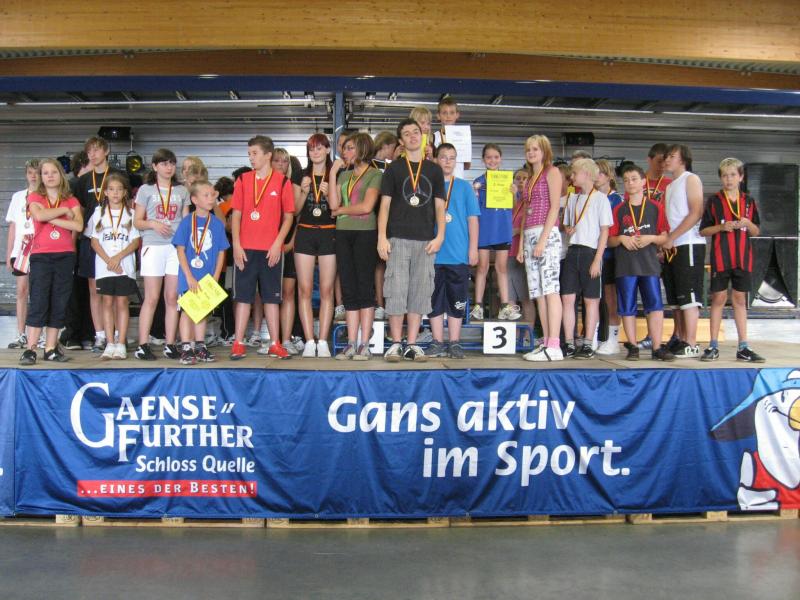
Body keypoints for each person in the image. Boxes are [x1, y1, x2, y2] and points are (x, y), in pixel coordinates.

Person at [378, 118, 445, 362]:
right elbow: (384, 206)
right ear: (401, 141)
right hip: (397, 238)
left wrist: (440, 235)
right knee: (395, 290)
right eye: (406, 134)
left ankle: (412, 344)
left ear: (422, 136)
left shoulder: (434, 170)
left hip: (425, 240)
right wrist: (382, 237)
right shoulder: (393, 169)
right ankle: (396, 344)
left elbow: (440, 206)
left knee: (420, 291)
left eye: (416, 132)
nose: (413, 136)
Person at [230, 135, 295, 360]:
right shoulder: (242, 180)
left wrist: (278, 243)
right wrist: (236, 244)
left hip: (271, 250)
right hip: (245, 248)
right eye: (249, 154)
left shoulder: (283, 182)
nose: (251, 158)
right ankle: (238, 342)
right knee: (243, 297)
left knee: (272, 297)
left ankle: (275, 343)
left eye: (255, 153)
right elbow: (236, 214)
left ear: (268, 155)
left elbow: (288, 217)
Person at [699, 158, 764, 363]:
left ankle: (743, 346)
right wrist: (721, 227)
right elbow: (703, 230)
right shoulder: (714, 201)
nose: (729, 179)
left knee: (739, 300)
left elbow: (756, 231)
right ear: (721, 178)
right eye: (725, 175)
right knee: (718, 299)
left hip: (743, 258)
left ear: (741, 177)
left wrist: (747, 223)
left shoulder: (749, 202)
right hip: (721, 258)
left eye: (733, 175)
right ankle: (713, 345)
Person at [19, 158, 83, 365]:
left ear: (60, 175)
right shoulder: (35, 196)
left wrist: (51, 217)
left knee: (59, 301)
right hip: (41, 256)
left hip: (65, 255)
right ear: (41, 177)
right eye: (45, 173)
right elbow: (39, 215)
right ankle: (30, 349)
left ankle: (50, 348)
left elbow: (78, 226)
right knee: (39, 300)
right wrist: (63, 213)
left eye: (53, 172)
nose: (50, 176)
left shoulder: (71, 199)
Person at [608, 164, 674, 361]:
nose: (630, 183)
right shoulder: (619, 209)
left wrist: (650, 238)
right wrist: (622, 239)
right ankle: (633, 346)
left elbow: (665, 237)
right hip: (625, 265)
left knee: (655, 306)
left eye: (634, 179)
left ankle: (657, 347)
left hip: (649, 264)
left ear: (644, 181)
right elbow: (609, 240)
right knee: (627, 307)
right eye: (626, 180)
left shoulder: (655, 207)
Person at [133, 148, 190, 360]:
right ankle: (142, 345)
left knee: (172, 297)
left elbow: (186, 221)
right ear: (155, 166)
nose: (169, 167)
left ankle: (170, 343)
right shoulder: (145, 189)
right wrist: (153, 224)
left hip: (175, 248)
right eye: (164, 163)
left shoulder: (182, 190)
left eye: (172, 163)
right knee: (152, 297)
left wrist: (185, 245)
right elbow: (137, 221)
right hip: (153, 245)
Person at [329, 132, 382, 360]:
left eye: (350, 148)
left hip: (365, 233)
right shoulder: (344, 175)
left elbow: (366, 207)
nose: (345, 152)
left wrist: (341, 210)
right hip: (342, 233)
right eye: (344, 148)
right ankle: (351, 343)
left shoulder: (375, 174)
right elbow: (332, 204)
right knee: (348, 287)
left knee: (364, 287)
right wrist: (333, 173)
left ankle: (364, 344)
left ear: (362, 149)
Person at [68, 136, 122, 352]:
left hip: (115, 240)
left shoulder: (119, 176)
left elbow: (128, 206)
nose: (92, 154)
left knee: (116, 289)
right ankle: (99, 335)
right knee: (94, 289)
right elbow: (79, 213)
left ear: (106, 151)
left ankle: (116, 334)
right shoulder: (82, 181)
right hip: (91, 240)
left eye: (97, 150)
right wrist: (74, 240)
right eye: (89, 151)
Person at [426, 143, 480, 359]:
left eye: (452, 157)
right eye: (443, 157)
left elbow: (473, 219)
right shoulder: (429, 186)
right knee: (434, 299)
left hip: (458, 253)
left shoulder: (464, 187)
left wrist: (473, 248)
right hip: (433, 254)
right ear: (436, 160)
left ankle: (455, 342)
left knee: (457, 299)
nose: (448, 161)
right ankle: (437, 341)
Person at [559, 159, 613, 359]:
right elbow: (566, 225)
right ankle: (569, 342)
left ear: (587, 174)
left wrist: (597, 259)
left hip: (591, 252)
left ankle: (589, 343)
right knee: (567, 298)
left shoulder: (600, 199)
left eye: (575, 173)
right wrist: (567, 228)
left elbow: (604, 231)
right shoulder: (572, 198)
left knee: (591, 300)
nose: (571, 177)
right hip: (572, 251)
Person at [516, 135, 563, 361]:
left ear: (545, 151)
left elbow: (554, 207)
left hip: (547, 234)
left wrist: (543, 239)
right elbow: (526, 212)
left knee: (551, 289)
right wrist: (521, 245)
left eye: (535, 149)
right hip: (530, 235)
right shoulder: (530, 177)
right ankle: (545, 341)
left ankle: (555, 344)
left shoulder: (552, 172)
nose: (531, 153)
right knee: (538, 292)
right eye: (528, 149)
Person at [173, 180, 229, 365]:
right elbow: (180, 250)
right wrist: (188, 276)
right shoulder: (187, 222)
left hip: (208, 275)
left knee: (202, 311)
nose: (211, 198)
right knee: (188, 310)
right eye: (206, 195)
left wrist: (216, 276)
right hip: (189, 276)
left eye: (213, 195)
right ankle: (186, 347)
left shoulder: (217, 224)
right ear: (194, 199)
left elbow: (221, 251)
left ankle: (200, 345)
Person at [89, 173, 140, 360]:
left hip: (124, 266)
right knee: (107, 302)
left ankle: (121, 343)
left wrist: (118, 258)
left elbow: (135, 241)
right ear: (105, 193)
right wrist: (109, 260)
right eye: (111, 189)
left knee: (122, 303)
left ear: (125, 192)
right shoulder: (98, 213)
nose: (115, 193)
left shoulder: (132, 213)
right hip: (105, 267)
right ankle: (109, 343)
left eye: (119, 189)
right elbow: (94, 241)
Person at [662, 144, 705, 358]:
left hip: (688, 243)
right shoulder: (670, 186)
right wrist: (665, 241)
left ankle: (691, 342)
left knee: (689, 296)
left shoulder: (691, 179)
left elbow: (696, 212)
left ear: (683, 159)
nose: (667, 160)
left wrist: (673, 236)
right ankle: (679, 337)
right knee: (676, 298)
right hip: (672, 246)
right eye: (667, 156)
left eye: (672, 156)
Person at [295, 133, 336, 358]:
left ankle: (323, 340)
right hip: (305, 232)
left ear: (328, 149)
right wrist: (303, 192)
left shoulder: (335, 174)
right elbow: (295, 210)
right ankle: (310, 341)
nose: (316, 152)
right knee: (305, 289)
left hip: (329, 232)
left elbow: (336, 209)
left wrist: (330, 195)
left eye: (320, 148)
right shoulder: (301, 174)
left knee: (327, 290)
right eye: (312, 149)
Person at [470, 143, 520, 321]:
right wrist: (474, 193)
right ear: (483, 159)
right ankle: (478, 306)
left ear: (501, 159)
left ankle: (505, 306)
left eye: (496, 157)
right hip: (484, 229)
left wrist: (514, 193)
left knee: (501, 267)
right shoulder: (478, 182)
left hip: (502, 229)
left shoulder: (508, 181)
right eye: (489, 157)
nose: (492, 160)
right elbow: (473, 208)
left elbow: (514, 207)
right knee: (482, 267)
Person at [271, 148, 305, 356]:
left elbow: (298, 217)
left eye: (285, 161)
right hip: (267, 246)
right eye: (277, 161)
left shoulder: (292, 186)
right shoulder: (263, 185)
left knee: (289, 292)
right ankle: (273, 340)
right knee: (270, 295)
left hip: (288, 244)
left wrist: (291, 241)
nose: (281, 164)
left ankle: (286, 339)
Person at [5, 159, 39, 349]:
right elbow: (13, 226)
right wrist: (9, 253)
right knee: (21, 290)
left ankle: (39, 334)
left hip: (40, 248)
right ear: (26, 175)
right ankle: (21, 334)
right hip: (21, 249)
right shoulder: (18, 196)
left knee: (39, 292)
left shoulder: (46, 196)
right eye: (30, 172)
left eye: (37, 172)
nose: (33, 176)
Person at [595, 158, 624, 355]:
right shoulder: (592, 197)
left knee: (611, 298)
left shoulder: (616, 200)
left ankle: (613, 339)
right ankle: (597, 336)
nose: (596, 177)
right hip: (595, 253)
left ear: (609, 176)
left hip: (611, 255)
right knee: (596, 299)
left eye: (600, 173)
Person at [371, 131, 398, 320]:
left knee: (392, 264)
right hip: (372, 217)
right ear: (387, 146)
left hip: (391, 219)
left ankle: (392, 304)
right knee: (378, 264)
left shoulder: (393, 166)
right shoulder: (368, 164)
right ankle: (380, 304)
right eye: (394, 148)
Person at [508, 168, 536, 333]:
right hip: (508, 253)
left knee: (525, 297)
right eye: (517, 178)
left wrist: (518, 231)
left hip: (523, 253)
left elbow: (533, 225)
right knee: (510, 297)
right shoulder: (513, 201)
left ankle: (528, 334)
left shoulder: (530, 202)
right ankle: (514, 335)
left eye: (524, 178)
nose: (520, 181)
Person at [434, 96, 470, 176]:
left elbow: (467, 166)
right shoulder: (433, 137)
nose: (448, 116)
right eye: (444, 113)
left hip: (458, 179)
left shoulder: (464, 136)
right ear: (438, 115)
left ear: (457, 115)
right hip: (439, 180)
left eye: (452, 113)